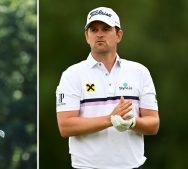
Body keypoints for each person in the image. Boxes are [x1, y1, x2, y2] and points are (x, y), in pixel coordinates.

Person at [56, 7, 160, 169]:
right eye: (93, 29)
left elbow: (153, 124)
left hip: (130, 166)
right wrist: (110, 120)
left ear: (119, 35)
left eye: (106, 29)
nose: (99, 34)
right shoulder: (72, 74)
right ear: (87, 36)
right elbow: (66, 126)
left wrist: (132, 122)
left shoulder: (139, 72)